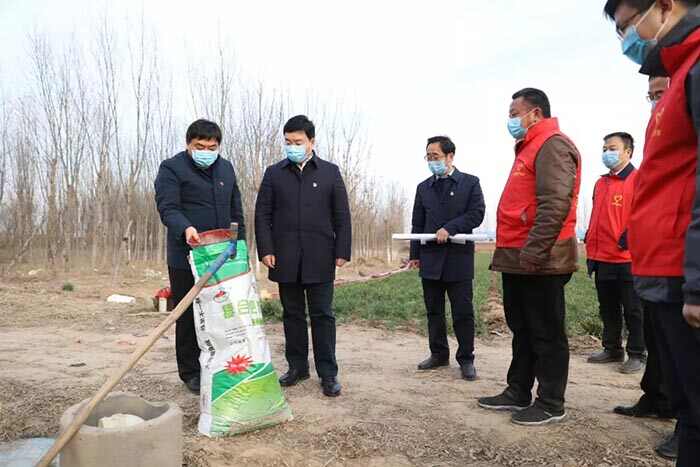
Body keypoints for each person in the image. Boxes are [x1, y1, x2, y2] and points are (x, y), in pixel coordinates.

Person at [605, 1, 700, 464]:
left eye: (628, 26)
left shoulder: (695, 70)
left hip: (684, 274)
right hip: (662, 269)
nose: (627, 40)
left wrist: (697, 284)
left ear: (664, 7)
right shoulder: (680, 74)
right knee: (685, 402)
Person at [478, 88, 581, 426]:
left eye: (514, 113)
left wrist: (535, 252)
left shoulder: (553, 144)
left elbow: (555, 203)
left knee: (546, 331)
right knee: (522, 328)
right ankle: (518, 390)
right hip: (517, 256)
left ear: (534, 113)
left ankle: (551, 401)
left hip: (541, 259)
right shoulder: (528, 147)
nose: (510, 120)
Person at [254, 115, 351, 397]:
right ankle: (297, 367)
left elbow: (342, 215)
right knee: (292, 314)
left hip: (320, 255)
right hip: (285, 257)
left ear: (311, 142)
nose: (292, 147)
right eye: (288, 142)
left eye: (298, 142)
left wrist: (342, 250)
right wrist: (266, 249)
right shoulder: (274, 173)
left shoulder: (330, 172)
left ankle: (328, 373)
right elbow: (262, 214)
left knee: (323, 315)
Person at [612, 77, 678, 462]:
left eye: (661, 93)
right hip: (652, 254)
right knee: (658, 336)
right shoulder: (658, 135)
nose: (655, 102)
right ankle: (656, 398)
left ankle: (689, 425)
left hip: (679, 253)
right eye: (650, 96)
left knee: (682, 345)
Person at [154, 119, 246, 394]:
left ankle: (221, 364)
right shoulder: (171, 168)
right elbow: (168, 207)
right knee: (188, 315)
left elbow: (236, 209)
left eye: (211, 147)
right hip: (187, 255)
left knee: (221, 312)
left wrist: (239, 245)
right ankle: (191, 372)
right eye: (200, 146)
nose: (206, 151)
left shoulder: (226, 168)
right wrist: (186, 228)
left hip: (222, 255)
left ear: (218, 146)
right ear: (188, 144)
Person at [408, 136, 485, 381]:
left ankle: (466, 359)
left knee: (462, 312)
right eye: (428, 157)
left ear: (450, 156)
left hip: (458, 258)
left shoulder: (470, 183)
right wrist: (414, 255)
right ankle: (439, 354)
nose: (432, 161)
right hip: (430, 258)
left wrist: (450, 228)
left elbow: (477, 214)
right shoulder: (423, 187)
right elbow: (417, 223)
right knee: (434, 311)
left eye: (436, 156)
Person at [585, 132, 646, 374]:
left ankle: (637, 353)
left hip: (628, 257)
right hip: (602, 256)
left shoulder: (640, 179)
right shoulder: (601, 183)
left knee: (633, 309)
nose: (606, 153)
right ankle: (612, 348)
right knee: (607, 307)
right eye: (604, 149)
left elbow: (646, 214)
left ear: (628, 152)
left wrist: (631, 236)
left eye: (612, 148)